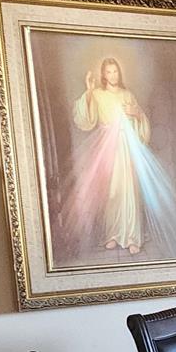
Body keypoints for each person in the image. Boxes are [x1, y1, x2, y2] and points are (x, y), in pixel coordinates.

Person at [71, 57, 152, 254]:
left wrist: (137, 114)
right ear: (103, 75)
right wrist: (89, 90)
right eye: (109, 72)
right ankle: (113, 235)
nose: (112, 75)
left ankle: (132, 237)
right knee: (112, 192)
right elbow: (86, 119)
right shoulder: (98, 94)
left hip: (127, 146)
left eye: (115, 71)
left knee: (129, 190)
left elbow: (141, 120)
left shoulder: (127, 94)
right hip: (108, 147)